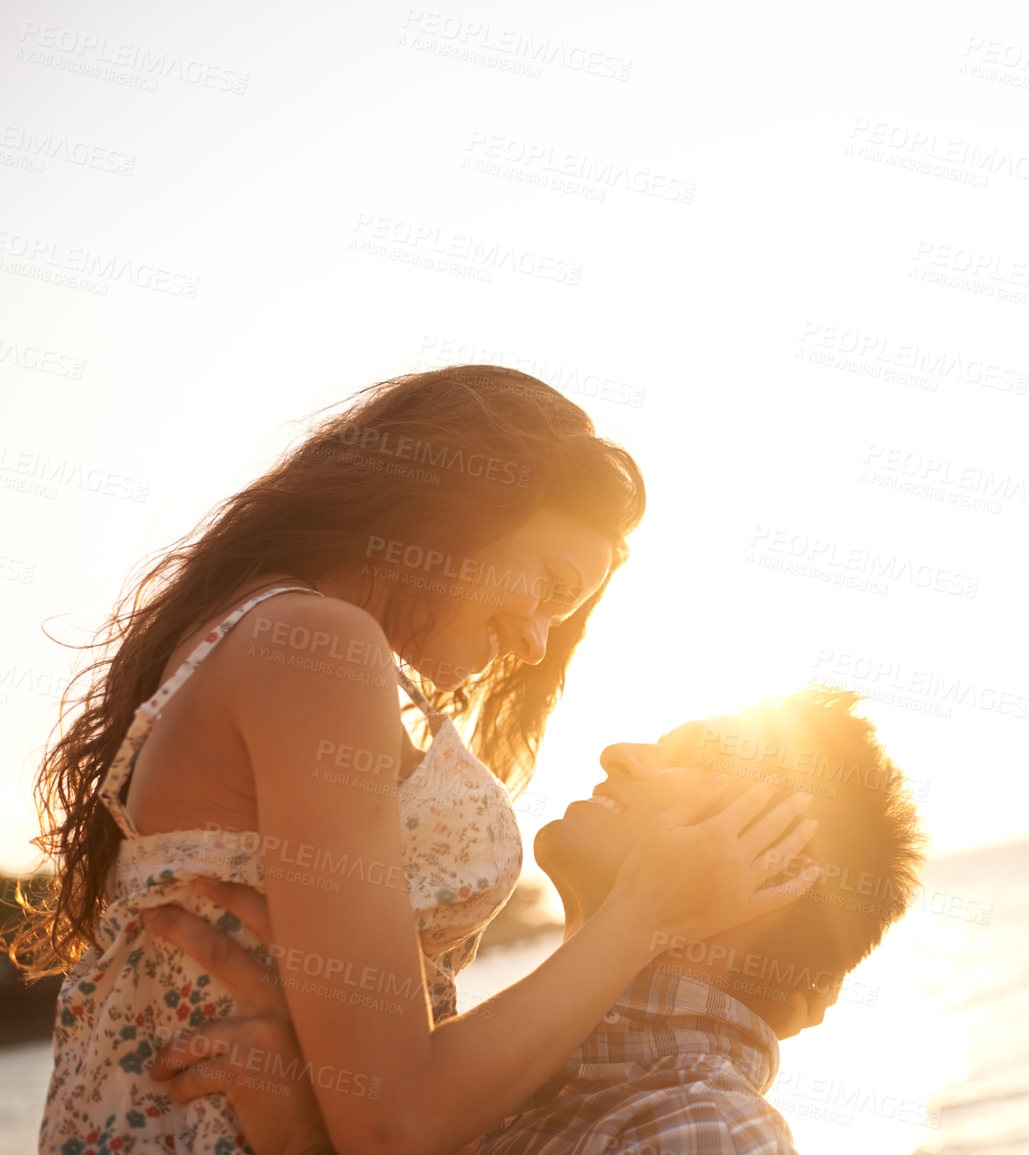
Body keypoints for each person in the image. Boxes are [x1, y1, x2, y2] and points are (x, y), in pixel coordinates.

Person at [16, 366, 823, 1155]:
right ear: (459, 502)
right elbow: (395, 1125)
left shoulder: (271, 636)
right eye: (547, 582)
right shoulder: (319, 649)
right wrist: (643, 913)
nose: (535, 638)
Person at [144, 687, 928, 1155]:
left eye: (703, 760)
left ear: (776, 866)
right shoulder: (505, 1087)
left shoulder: (703, 1129)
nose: (621, 751)